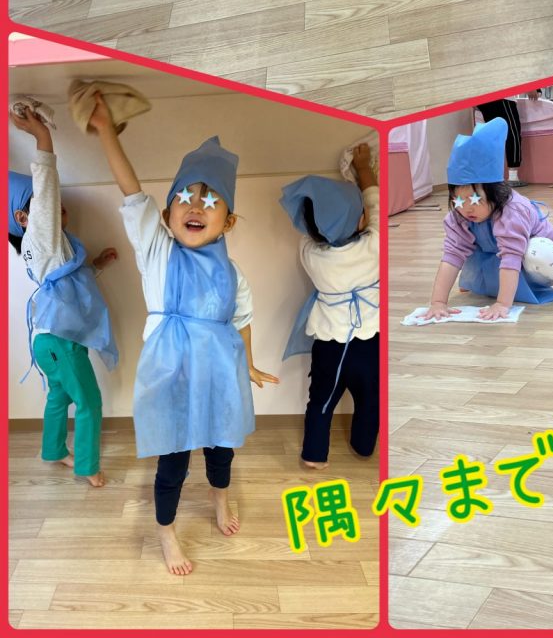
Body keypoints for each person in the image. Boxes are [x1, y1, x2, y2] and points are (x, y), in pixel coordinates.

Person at [88, 96, 279, 575]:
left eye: (210, 200)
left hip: (218, 377)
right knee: (172, 464)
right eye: (185, 196)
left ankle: (220, 497)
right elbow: (131, 191)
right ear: (167, 213)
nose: (196, 205)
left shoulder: (233, 274)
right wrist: (107, 130)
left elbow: (242, 320)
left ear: (228, 221)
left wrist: (249, 363)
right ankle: (166, 532)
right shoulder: (157, 251)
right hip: (171, 379)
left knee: (220, 451)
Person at [9, 106, 119, 488]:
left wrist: (97, 263)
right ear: (25, 219)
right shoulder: (40, 237)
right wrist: (42, 136)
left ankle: (54, 450)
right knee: (89, 402)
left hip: (50, 340)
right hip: (60, 340)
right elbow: (45, 184)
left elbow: (74, 281)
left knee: (59, 395)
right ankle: (88, 467)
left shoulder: (55, 248)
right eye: (43, 204)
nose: (54, 205)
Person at [422, 118, 553, 321]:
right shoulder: (458, 217)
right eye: (458, 200)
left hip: (533, 264)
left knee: (537, 250)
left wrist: (503, 304)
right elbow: (452, 256)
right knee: (462, 247)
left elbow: (511, 257)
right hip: (497, 261)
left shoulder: (512, 211)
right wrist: (438, 302)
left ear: (496, 194)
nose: (467, 208)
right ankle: (489, 285)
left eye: (476, 199)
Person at [280, 144, 379, 469]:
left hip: (330, 344)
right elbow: (375, 203)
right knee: (370, 400)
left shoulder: (311, 253)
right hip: (370, 342)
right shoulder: (375, 245)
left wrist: (325, 217)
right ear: (361, 222)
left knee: (321, 399)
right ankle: (364, 446)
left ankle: (314, 455)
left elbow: (310, 233)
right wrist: (363, 168)